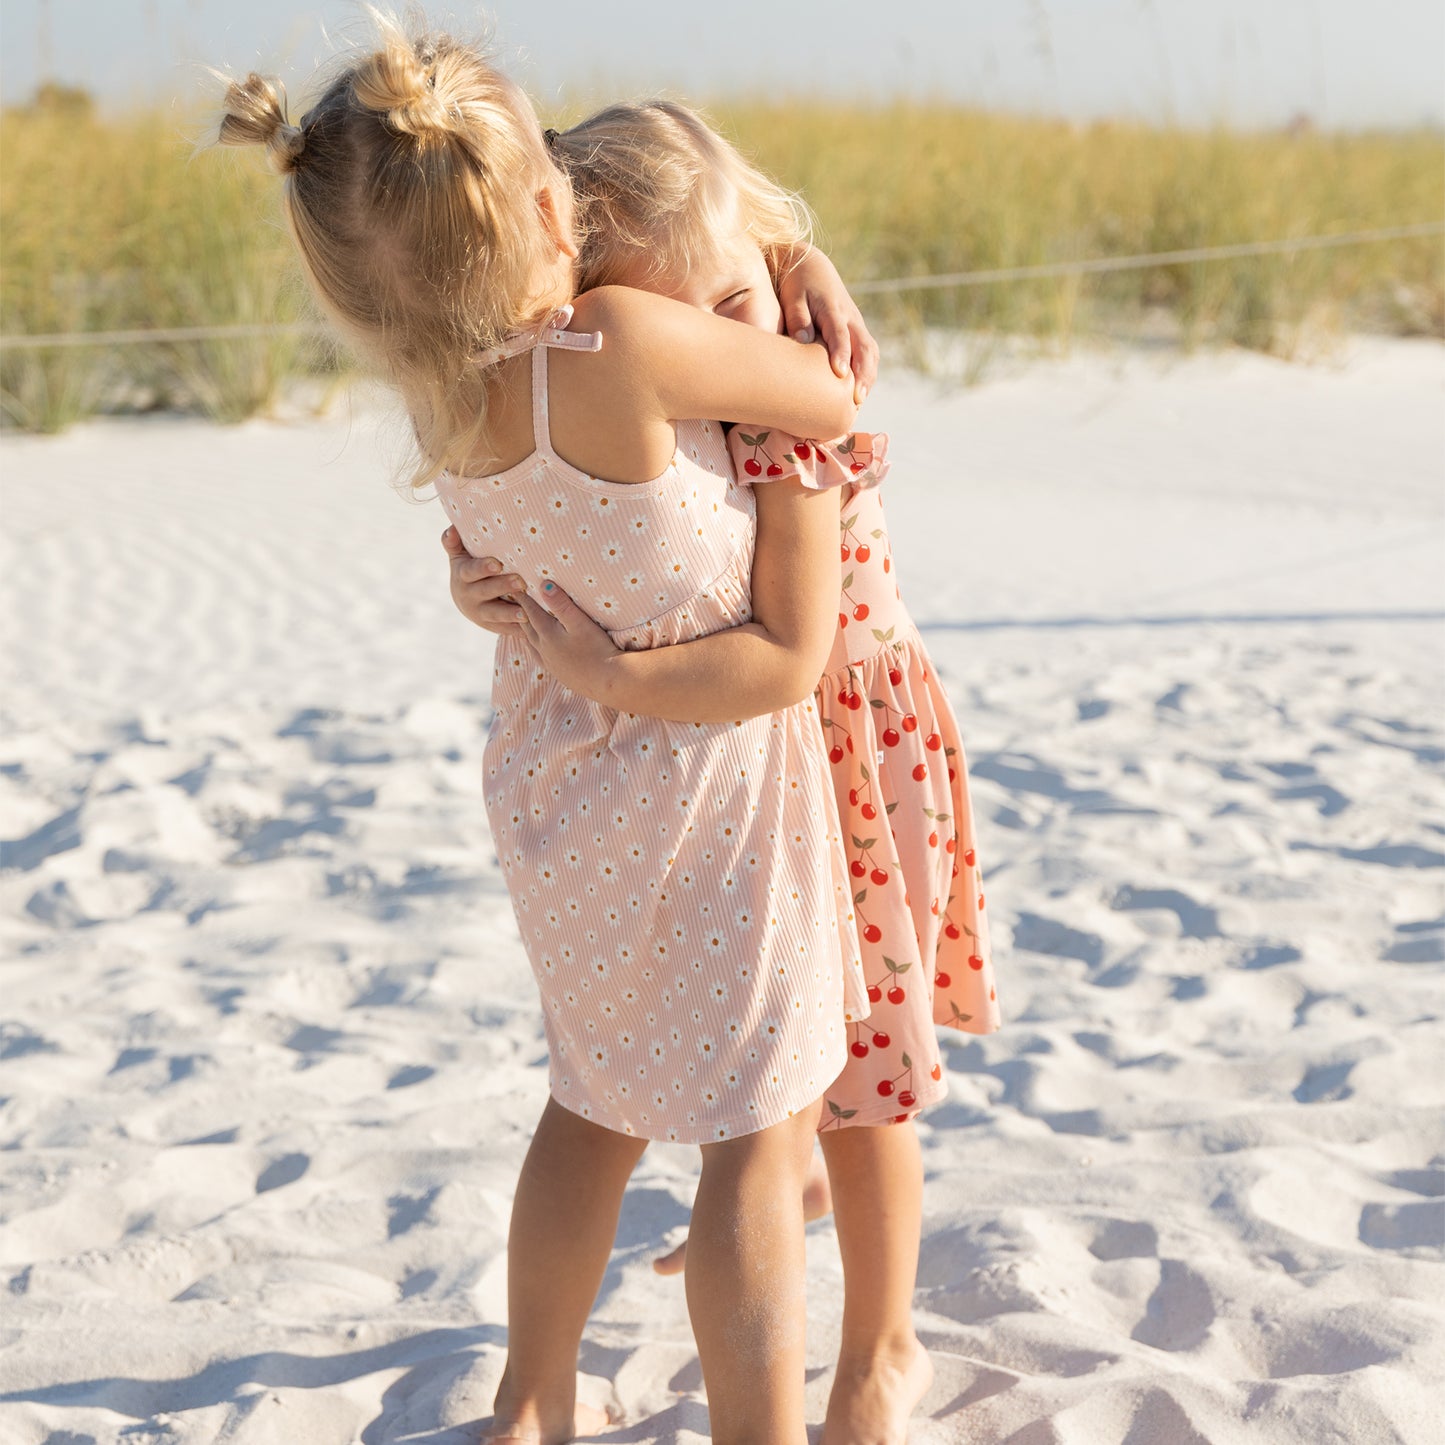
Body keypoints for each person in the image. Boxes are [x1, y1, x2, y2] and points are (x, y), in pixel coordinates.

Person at [215, 17, 882, 1445]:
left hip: (556, 797)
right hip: (705, 793)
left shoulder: (446, 398)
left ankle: (531, 1399)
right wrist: (790, 267)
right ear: (539, 207)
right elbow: (827, 399)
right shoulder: (630, 341)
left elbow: (522, 569)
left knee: (590, 1101)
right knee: (755, 1140)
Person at [446, 100, 1002, 1445]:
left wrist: (793, 264)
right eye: (695, 322)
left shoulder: (783, 399)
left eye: (737, 296)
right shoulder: (661, 389)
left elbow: (795, 637)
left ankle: (880, 1347)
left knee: (862, 1079)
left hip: (845, 750)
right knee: (762, 1090)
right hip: (737, 769)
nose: (728, 340)